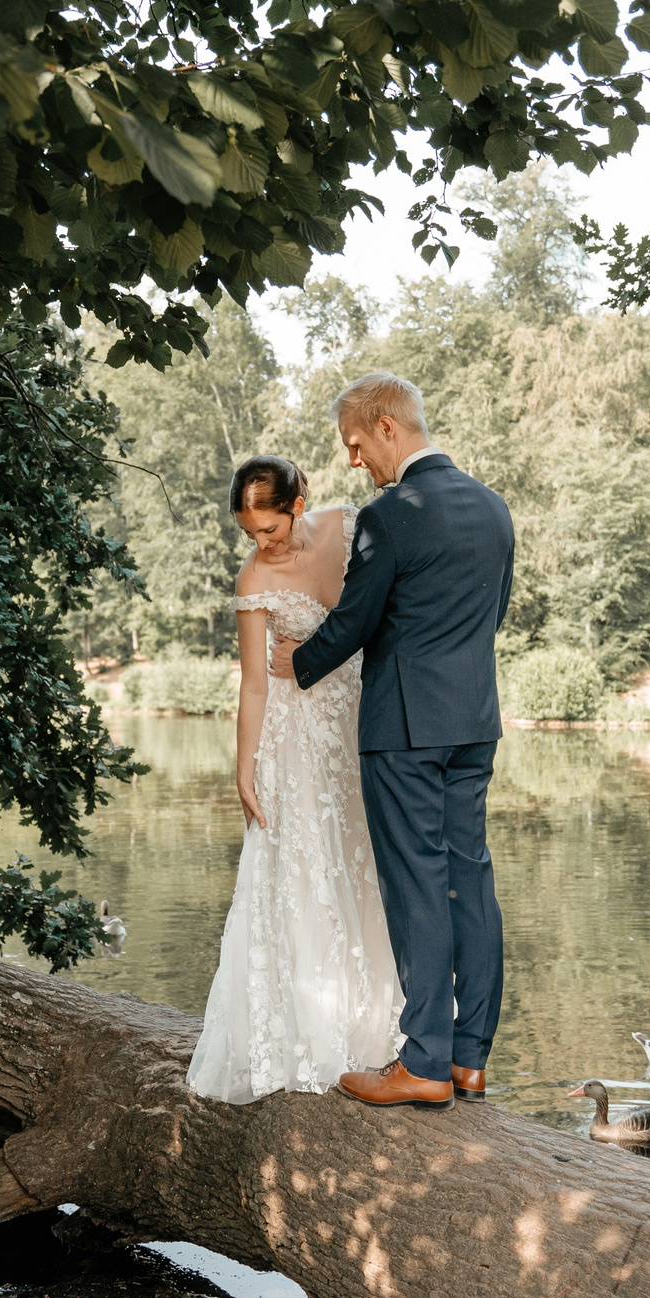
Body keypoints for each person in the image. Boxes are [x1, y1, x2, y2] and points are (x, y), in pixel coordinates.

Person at [272, 372, 514, 1109]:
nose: (352, 462)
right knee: (468, 878)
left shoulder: (392, 513)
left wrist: (299, 662)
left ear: (384, 425)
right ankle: (470, 1057)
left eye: (352, 444)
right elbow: (490, 617)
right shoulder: (493, 507)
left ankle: (424, 1065)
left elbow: (357, 619)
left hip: (404, 726)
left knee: (415, 888)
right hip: (472, 721)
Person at [185, 454, 404, 1104]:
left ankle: (375, 1037)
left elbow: (384, 610)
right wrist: (243, 766)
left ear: (297, 506)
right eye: (251, 533)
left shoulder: (351, 525)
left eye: (270, 530)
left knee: (363, 867)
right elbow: (253, 682)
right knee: (302, 874)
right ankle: (303, 1039)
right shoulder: (256, 576)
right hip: (292, 741)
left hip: (352, 724)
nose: (262, 544)